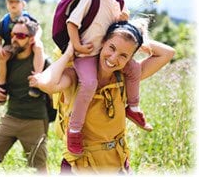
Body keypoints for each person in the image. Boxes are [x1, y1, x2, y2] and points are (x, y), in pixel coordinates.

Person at [28, 18, 175, 174]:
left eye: (123, 55)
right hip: (80, 168)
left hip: (117, 164)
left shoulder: (125, 78)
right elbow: (46, 84)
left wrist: (135, 38)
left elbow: (167, 53)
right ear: (102, 42)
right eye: (111, 47)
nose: (113, 58)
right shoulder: (75, 77)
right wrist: (69, 53)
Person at [64, 0, 151, 155]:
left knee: (134, 69)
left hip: (105, 52)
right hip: (86, 53)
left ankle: (133, 107)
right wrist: (76, 46)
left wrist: (122, 20)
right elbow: (72, 23)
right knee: (90, 83)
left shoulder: (117, 2)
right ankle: (74, 129)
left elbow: (115, 31)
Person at [0, 17, 49, 173]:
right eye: (13, 34)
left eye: (20, 36)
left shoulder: (43, 60)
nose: (14, 39)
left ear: (31, 39)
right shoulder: (8, 59)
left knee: (40, 167)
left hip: (35, 120)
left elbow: (53, 85)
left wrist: (41, 82)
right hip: (11, 117)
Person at [0, 0, 45, 99]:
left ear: (23, 4)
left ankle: (36, 79)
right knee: (1, 57)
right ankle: (2, 85)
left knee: (38, 46)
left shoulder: (28, 18)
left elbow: (38, 28)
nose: (13, 4)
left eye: (16, 2)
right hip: (11, 46)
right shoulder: (5, 20)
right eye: (10, 2)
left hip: (27, 44)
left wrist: (36, 38)